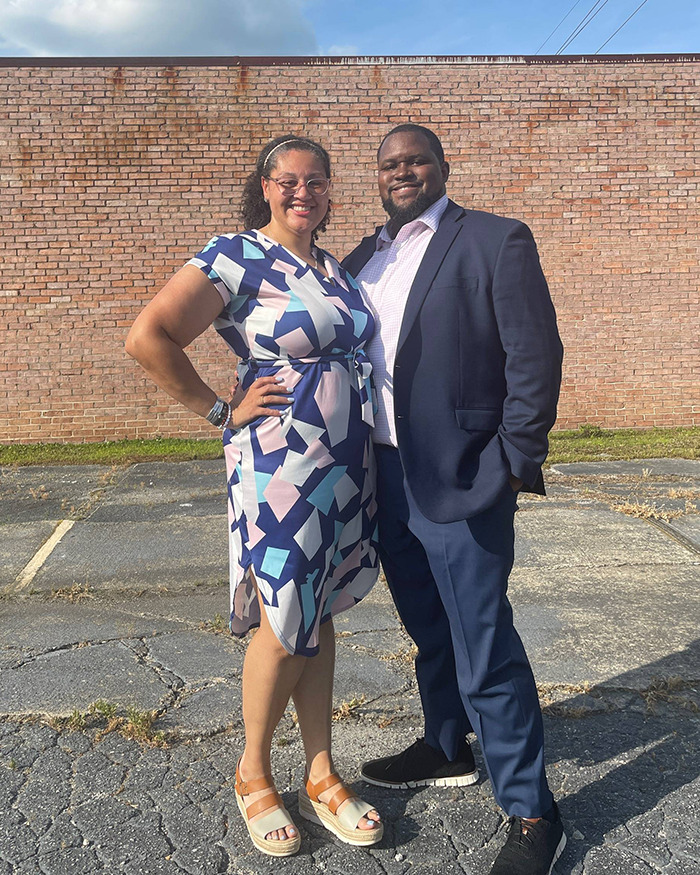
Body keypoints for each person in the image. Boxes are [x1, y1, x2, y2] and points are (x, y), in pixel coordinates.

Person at [126, 135, 383, 857]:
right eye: (290, 180)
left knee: (322, 604)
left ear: (330, 193)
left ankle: (322, 769)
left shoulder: (334, 268)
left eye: (318, 181)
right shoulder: (234, 255)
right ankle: (254, 773)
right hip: (281, 463)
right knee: (285, 614)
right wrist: (218, 409)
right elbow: (148, 337)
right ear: (266, 187)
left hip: (343, 461)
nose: (305, 192)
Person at [342, 124, 565, 875]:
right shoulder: (362, 257)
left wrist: (514, 458)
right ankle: (445, 743)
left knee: (483, 643)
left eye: (415, 160)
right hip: (385, 475)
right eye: (389, 163)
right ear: (376, 177)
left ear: (442, 167)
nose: (401, 171)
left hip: (465, 474)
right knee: (428, 628)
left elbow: (534, 351)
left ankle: (533, 810)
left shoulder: (496, 240)